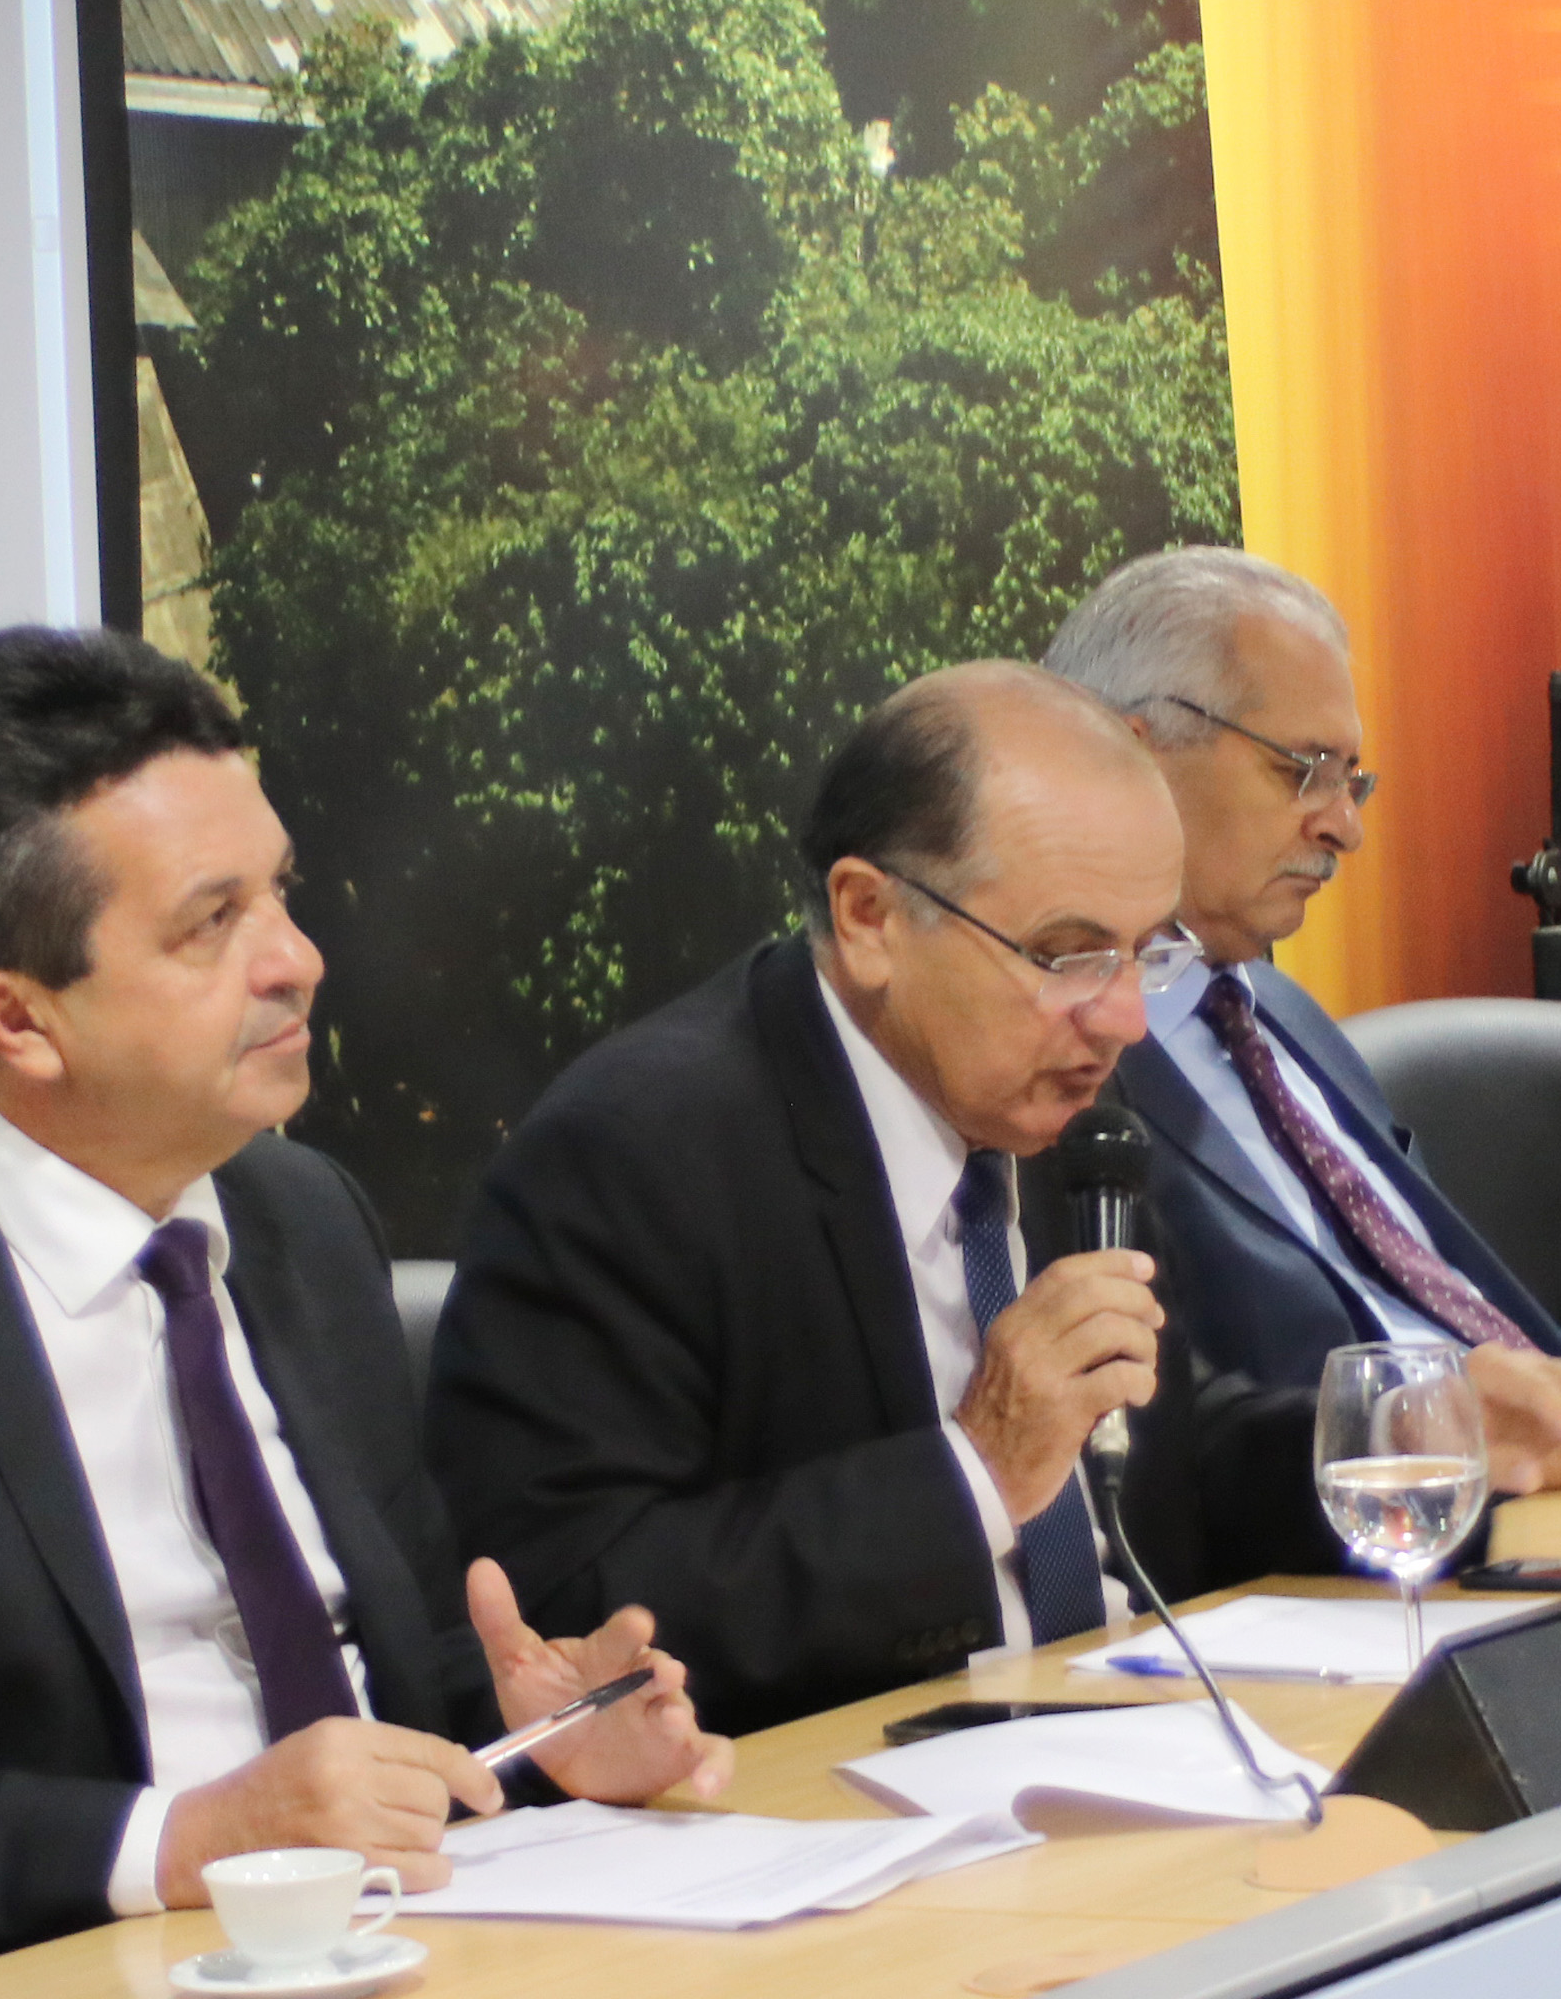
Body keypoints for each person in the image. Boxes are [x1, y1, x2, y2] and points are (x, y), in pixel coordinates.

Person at [0, 628, 724, 1999]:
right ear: (16, 1019)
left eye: (281, 892)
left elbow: (377, 1684)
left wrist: (537, 1739)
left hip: (419, 1957)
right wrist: (177, 1842)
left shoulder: (303, 1220)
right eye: (211, 923)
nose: (298, 958)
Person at [425, 663, 1357, 1737]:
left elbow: (1159, 1463)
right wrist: (975, 1472)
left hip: (1134, 1737)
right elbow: (563, 1618)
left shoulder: (1056, 1099)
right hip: (852, 1791)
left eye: (1146, 953)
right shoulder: (635, 1155)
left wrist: (1409, 1442)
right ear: (869, 917)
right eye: (1067, 955)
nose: (1123, 1019)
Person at [1043, 549, 1561, 1483]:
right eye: (1303, 770)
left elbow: (1436, 1347)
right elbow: (1194, 1452)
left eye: (1353, 781)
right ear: (1137, 754)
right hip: (1357, 1543)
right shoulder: (1057, 1069)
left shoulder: (1285, 1018)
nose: (1344, 826)